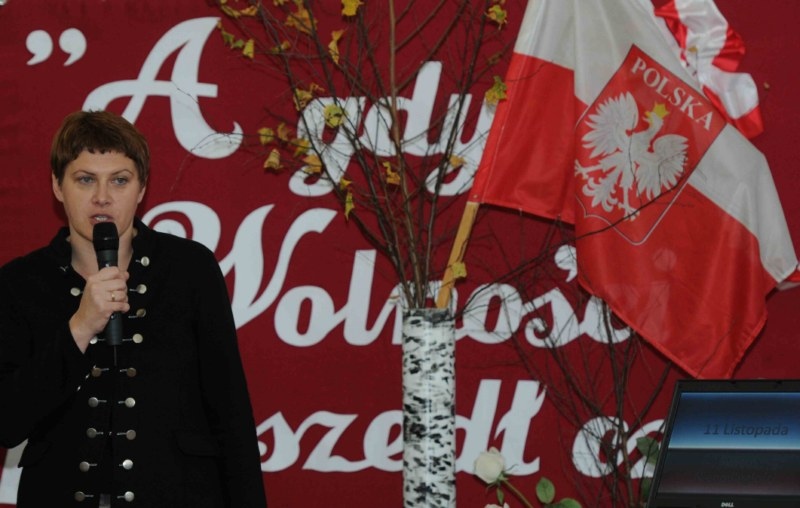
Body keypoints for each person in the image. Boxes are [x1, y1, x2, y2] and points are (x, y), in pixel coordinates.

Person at [0, 110, 268, 507]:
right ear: (57, 185)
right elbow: (7, 422)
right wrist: (79, 327)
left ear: (141, 188)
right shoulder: (20, 282)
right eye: (85, 179)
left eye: (120, 180)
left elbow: (231, 415)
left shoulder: (189, 269)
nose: (102, 196)